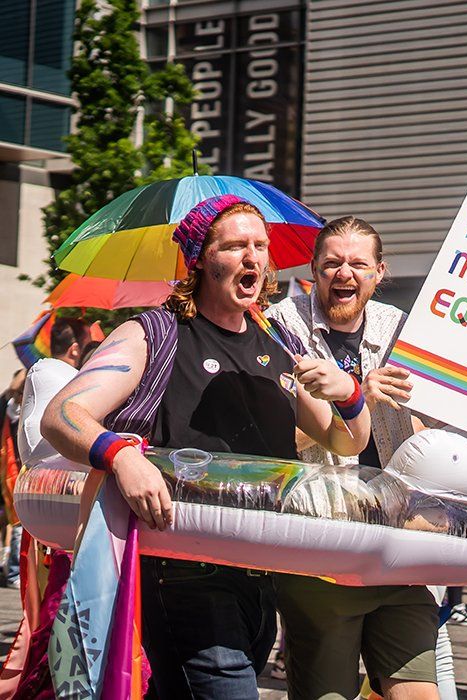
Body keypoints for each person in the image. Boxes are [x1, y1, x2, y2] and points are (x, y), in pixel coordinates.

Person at [41, 195, 372, 698]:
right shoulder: (154, 333)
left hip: (263, 574)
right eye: (235, 245)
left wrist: (349, 394)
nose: (253, 258)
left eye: (260, 246)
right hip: (183, 572)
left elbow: (346, 439)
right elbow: (61, 415)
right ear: (198, 257)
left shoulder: (279, 340)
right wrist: (121, 455)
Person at [267, 215, 451, 700]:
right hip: (321, 546)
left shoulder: (402, 331)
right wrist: (355, 399)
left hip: (398, 546)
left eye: (357, 264)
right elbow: (275, 439)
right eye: (331, 264)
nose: (344, 273)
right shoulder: (279, 328)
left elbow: (436, 432)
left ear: (379, 272)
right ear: (313, 270)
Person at [17, 317, 91, 465]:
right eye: (89, 346)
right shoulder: (56, 374)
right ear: (75, 350)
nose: (94, 352)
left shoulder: (48, 373)